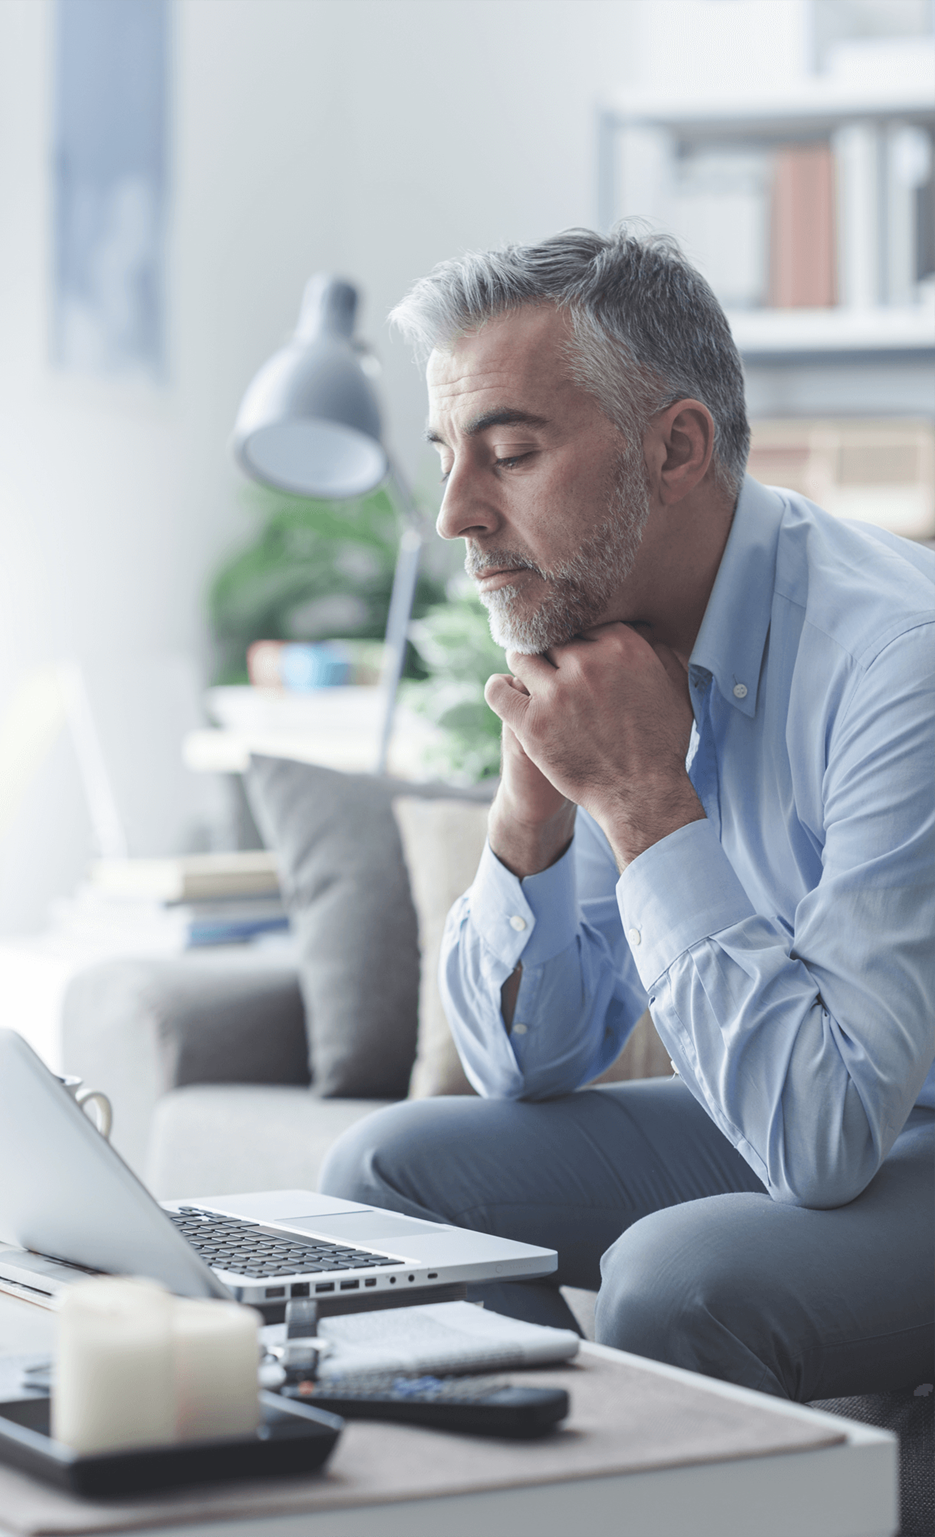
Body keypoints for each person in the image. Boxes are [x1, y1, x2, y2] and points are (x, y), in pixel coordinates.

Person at [320, 229, 934, 1402]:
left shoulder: (897, 661)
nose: (454, 512)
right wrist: (530, 813)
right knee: (387, 1175)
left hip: (880, 1114)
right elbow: (528, 1061)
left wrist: (647, 805)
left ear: (677, 448)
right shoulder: (611, 649)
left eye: (508, 453)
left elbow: (825, 1133)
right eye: (450, 454)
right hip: (826, 1110)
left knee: (674, 1273)